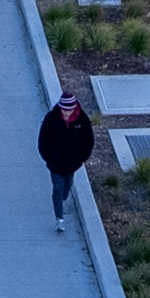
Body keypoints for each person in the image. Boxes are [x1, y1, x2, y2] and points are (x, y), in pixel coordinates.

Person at [36, 93, 96, 223]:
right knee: (57, 188)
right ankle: (59, 219)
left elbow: (88, 140)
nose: (67, 113)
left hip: (72, 163)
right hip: (55, 163)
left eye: (69, 110)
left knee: (67, 184)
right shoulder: (51, 118)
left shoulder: (82, 119)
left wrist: (81, 159)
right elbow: (43, 140)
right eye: (64, 110)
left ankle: (64, 196)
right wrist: (49, 158)